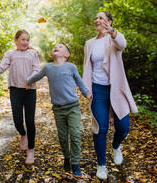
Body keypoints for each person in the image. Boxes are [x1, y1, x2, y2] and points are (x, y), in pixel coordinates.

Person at [82, 11, 138, 180]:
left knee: (123, 127)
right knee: (101, 128)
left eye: (101, 18)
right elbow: (87, 66)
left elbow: (122, 44)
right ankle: (102, 165)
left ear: (109, 22)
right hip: (98, 90)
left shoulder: (113, 39)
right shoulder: (89, 43)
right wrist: (87, 88)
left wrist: (112, 31)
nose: (97, 19)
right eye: (96, 17)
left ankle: (116, 146)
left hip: (116, 89)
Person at [26, 44, 92, 177]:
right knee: (62, 137)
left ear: (67, 54)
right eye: (55, 47)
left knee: (74, 135)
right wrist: (28, 82)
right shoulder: (48, 68)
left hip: (73, 106)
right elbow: (37, 76)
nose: (57, 47)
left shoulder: (71, 67)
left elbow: (79, 81)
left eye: (61, 47)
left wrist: (86, 93)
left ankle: (75, 163)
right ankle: (67, 157)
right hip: (58, 109)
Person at [0, 29, 40, 165]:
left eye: (27, 40)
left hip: (30, 90)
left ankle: (31, 150)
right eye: (22, 39)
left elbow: (36, 69)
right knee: (17, 120)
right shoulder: (10, 54)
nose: (25, 42)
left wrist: (30, 79)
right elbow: (0, 68)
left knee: (30, 121)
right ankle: (23, 135)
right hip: (15, 90)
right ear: (15, 41)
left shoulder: (32, 54)